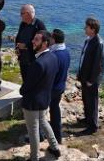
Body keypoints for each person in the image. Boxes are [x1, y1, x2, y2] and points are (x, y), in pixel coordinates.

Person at [20, 30, 61, 161]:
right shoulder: (53, 57)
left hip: (32, 102)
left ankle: (34, 157)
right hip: (45, 99)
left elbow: (27, 86)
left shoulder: (38, 63)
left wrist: (21, 91)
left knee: (33, 131)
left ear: (45, 43)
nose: (32, 41)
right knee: (43, 122)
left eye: (36, 39)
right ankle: (55, 148)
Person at [75, 17, 104, 136]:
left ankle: (92, 126)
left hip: (91, 79)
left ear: (92, 29)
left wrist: (92, 80)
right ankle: (87, 119)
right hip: (85, 76)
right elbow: (84, 58)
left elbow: (98, 64)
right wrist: (80, 72)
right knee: (85, 99)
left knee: (92, 101)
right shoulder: (89, 40)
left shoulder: (98, 43)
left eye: (86, 27)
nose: (84, 28)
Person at [49, 29, 71, 144]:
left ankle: (41, 136)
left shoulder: (54, 55)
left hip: (52, 88)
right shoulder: (66, 52)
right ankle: (58, 137)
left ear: (54, 39)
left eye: (51, 37)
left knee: (41, 113)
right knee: (55, 110)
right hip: (61, 86)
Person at [15, 4, 46, 80]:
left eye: (22, 13)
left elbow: (43, 43)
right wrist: (17, 48)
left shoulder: (39, 25)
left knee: (32, 83)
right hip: (23, 60)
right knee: (25, 80)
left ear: (28, 14)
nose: (20, 15)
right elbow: (18, 37)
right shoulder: (23, 24)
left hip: (33, 60)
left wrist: (26, 46)